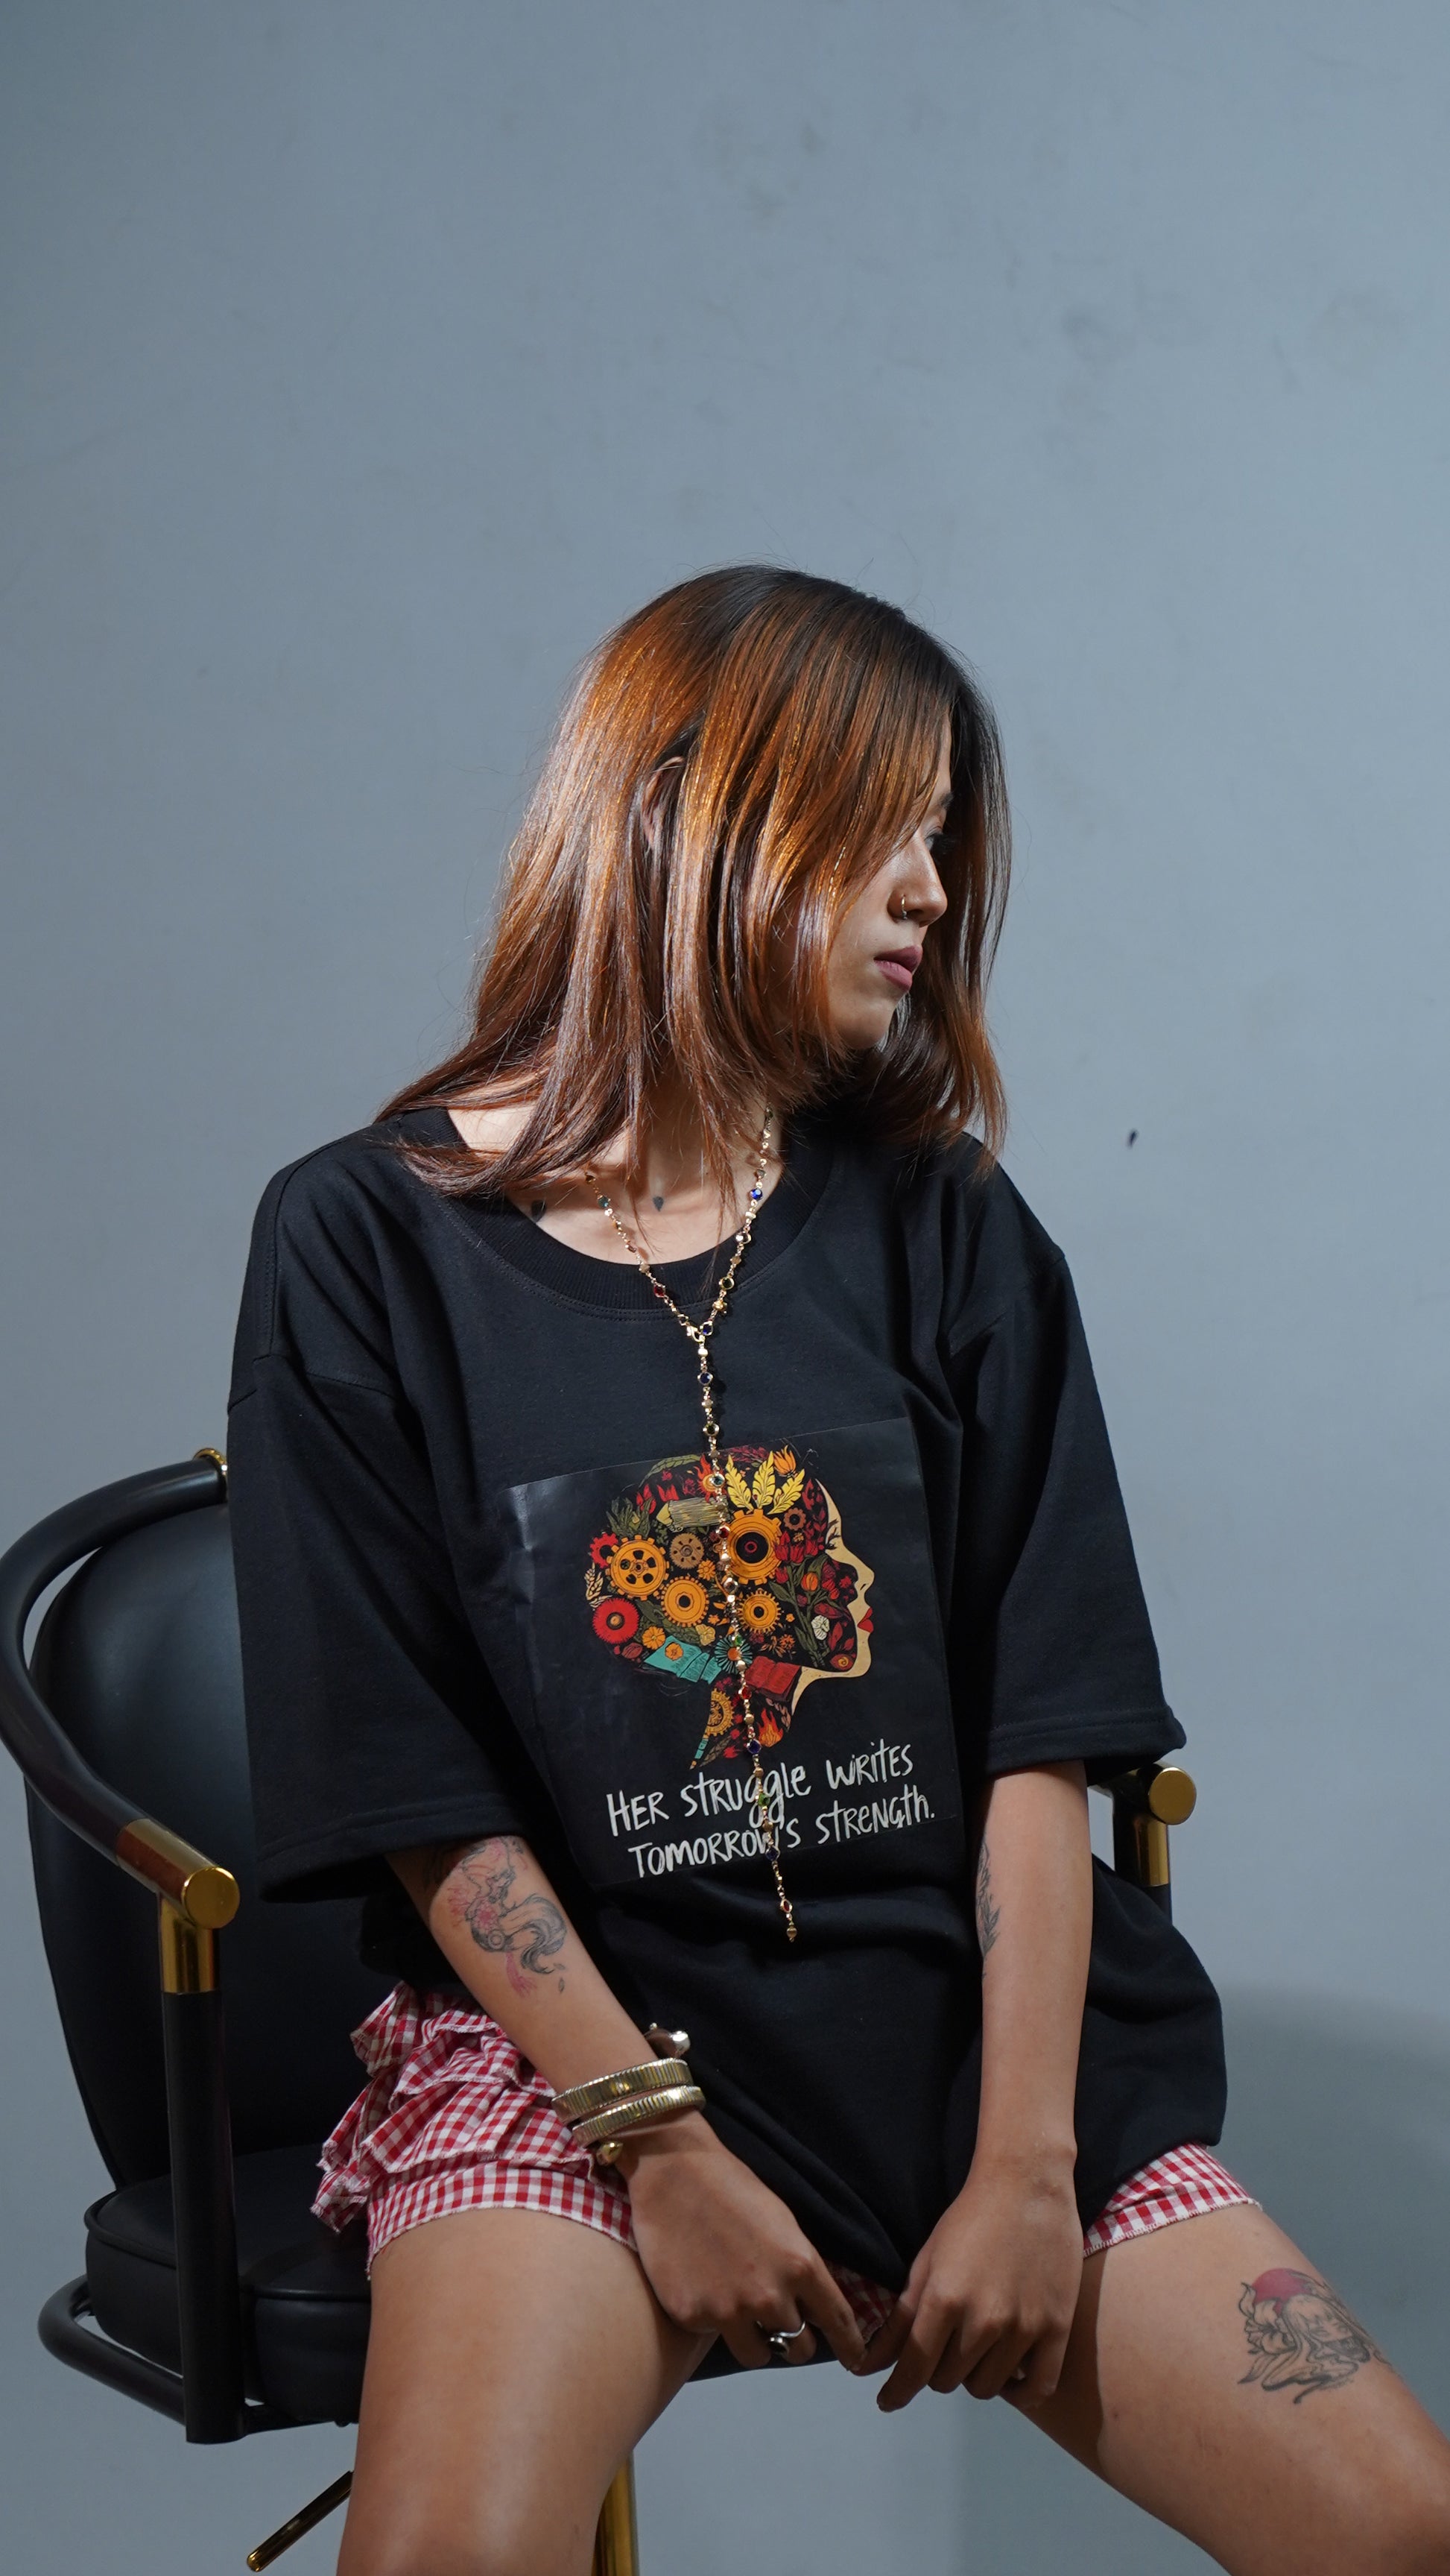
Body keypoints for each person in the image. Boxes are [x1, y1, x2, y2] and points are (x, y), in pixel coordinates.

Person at [227, 567, 1450, 2576]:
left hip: (972, 2036)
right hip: (582, 2062)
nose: (932, 896)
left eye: (945, 844)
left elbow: (1045, 1731)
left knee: (1398, 2532)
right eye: (882, 831)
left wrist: (1028, 2166)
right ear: (692, 816)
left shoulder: (949, 1229)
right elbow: (405, 1777)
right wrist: (657, 2146)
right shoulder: (364, 1244)